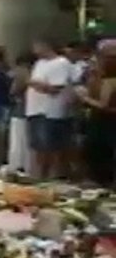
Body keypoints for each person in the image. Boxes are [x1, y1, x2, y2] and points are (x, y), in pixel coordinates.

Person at [25, 38, 75, 179]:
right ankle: (40, 176)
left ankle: (55, 177)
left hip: (50, 111)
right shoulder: (39, 63)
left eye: (36, 46)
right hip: (35, 109)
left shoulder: (61, 63)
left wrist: (32, 83)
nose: (34, 50)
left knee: (52, 148)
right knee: (37, 147)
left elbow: (55, 88)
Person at [77, 42, 116, 185]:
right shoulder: (97, 79)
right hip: (103, 120)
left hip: (104, 121)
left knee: (99, 153)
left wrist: (85, 98)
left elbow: (103, 105)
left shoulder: (109, 82)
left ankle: (101, 182)